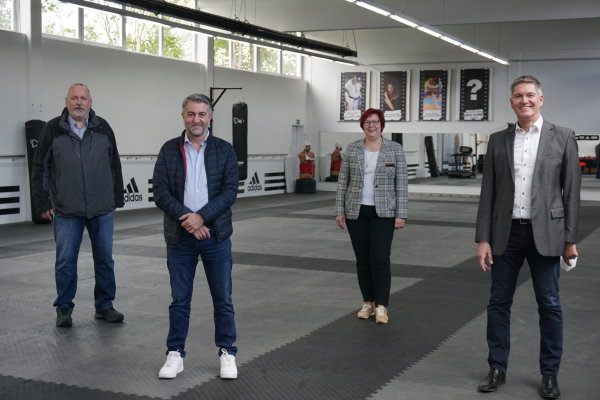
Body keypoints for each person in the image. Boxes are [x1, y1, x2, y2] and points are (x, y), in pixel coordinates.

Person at [475, 75, 581, 399]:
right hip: (505, 234)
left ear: (541, 99)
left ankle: (549, 374)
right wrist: (483, 239)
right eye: (519, 96)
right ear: (511, 102)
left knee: (549, 305)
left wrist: (570, 239)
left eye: (530, 95)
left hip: (546, 235)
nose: (525, 100)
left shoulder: (563, 137)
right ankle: (497, 368)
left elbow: (572, 192)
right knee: (498, 304)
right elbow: (488, 192)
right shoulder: (497, 141)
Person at [153, 94, 239, 380]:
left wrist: (202, 217)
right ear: (183, 116)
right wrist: (189, 221)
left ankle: (227, 352)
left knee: (222, 299)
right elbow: (161, 192)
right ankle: (175, 353)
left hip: (216, 235)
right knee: (180, 299)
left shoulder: (225, 150)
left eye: (202, 114)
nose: (196, 119)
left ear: (210, 116)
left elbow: (229, 192)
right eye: (191, 114)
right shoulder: (168, 150)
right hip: (181, 237)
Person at [31, 83, 125, 327]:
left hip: (101, 208)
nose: (79, 102)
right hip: (66, 209)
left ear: (90, 102)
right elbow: (40, 167)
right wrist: (42, 202)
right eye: (74, 98)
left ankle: (104, 306)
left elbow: (114, 163)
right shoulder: (52, 129)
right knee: (65, 261)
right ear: (66, 101)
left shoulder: (103, 127)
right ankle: (64, 308)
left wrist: (117, 198)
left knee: (104, 259)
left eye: (83, 98)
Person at [335, 108, 408, 324]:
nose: (372, 125)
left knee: (380, 258)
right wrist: (340, 210)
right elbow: (342, 182)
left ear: (382, 125)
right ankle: (367, 302)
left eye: (375, 122)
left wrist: (401, 214)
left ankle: (381, 305)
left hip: (384, 212)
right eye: (367, 122)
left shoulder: (395, 149)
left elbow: (401, 184)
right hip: (356, 211)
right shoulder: (352, 149)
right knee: (362, 260)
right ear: (362, 125)